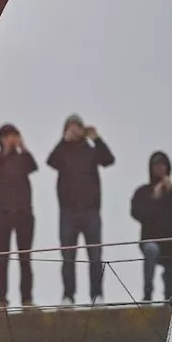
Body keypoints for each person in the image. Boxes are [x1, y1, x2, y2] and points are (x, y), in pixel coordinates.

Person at [47, 114, 114, 305]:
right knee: (68, 256)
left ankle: (97, 294)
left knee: (95, 255)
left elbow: (109, 160)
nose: (75, 130)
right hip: (67, 212)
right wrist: (63, 140)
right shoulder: (63, 152)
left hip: (91, 211)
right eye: (71, 127)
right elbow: (50, 162)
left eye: (78, 127)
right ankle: (68, 295)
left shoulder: (91, 150)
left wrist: (97, 139)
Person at [0, 124, 38, 308]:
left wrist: (23, 147)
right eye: (6, 136)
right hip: (3, 215)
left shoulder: (23, 160)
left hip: (24, 215)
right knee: (3, 258)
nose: (10, 139)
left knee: (25, 258)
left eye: (14, 135)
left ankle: (27, 299)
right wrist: (5, 151)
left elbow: (33, 166)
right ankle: (2, 299)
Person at [130, 151, 172, 302]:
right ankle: (148, 293)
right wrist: (154, 197)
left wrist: (171, 191)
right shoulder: (143, 192)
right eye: (156, 165)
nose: (160, 169)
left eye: (162, 165)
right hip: (150, 240)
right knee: (151, 249)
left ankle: (169, 303)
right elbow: (136, 213)